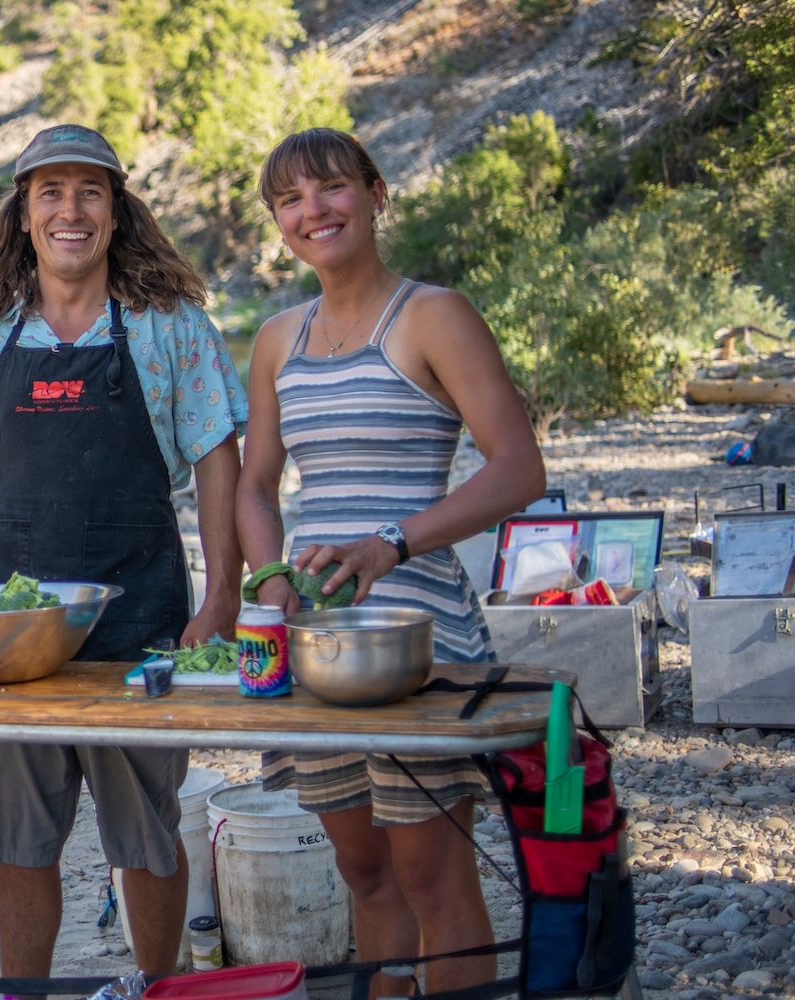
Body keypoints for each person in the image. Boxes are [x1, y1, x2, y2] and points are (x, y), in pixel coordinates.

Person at [0, 124, 248, 979]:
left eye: (90, 191)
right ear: (23, 215)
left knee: (146, 834)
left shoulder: (169, 326)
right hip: (10, 640)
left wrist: (218, 600)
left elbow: (220, 464)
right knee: (22, 844)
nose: (72, 210)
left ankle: (158, 987)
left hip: (141, 622)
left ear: (117, 209)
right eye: (51, 193)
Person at [234, 128, 547, 995]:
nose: (312, 212)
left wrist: (393, 542)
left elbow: (520, 468)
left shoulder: (432, 315)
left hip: (423, 644)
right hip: (317, 646)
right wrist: (268, 579)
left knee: (434, 879)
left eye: (331, 189)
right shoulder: (275, 340)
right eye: (290, 201)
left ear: (376, 194)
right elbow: (255, 487)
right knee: (365, 875)